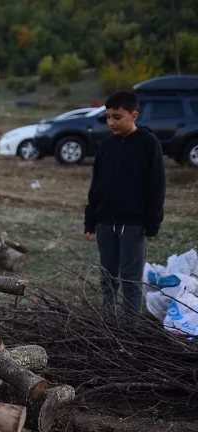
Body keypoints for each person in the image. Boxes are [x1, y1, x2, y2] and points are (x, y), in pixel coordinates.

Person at [84, 90, 166, 314]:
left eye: (117, 117)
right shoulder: (106, 146)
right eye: (108, 117)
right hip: (105, 222)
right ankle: (109, 324)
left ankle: (131, 331)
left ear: (134, 115)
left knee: (131, 280)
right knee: (108, 278)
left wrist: (152, 223)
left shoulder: (148, 144)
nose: (111, 122)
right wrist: (90, 220)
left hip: (133, 224)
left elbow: (157, 185)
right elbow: (97, 186)